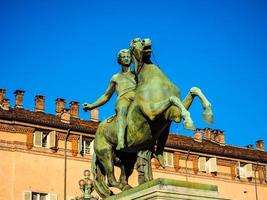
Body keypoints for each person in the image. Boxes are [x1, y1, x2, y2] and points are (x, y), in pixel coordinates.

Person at [83, 49, 136, 150]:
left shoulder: (136, 75)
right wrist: (91, 106)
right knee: (122, 109)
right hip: (123, 99)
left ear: (132, 59)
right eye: (123, 57)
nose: (126, 58)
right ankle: (121, 140)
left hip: (137, 99)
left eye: (128, 57)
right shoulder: (115, 78)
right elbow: (106, 96)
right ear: (119, 60)